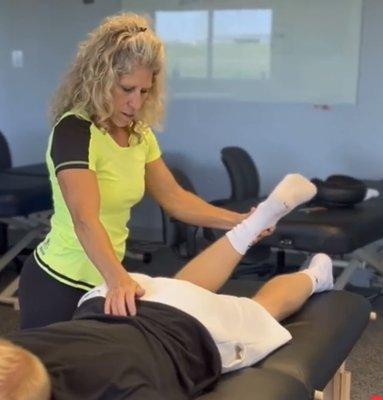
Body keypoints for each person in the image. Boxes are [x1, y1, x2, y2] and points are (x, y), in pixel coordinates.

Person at [1, 174, 334, 400]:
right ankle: (253, 225)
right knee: (179, 294)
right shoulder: (13, 347)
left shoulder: (121, 390)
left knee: (264, 309)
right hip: (115, 301)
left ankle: (317, 276)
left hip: (190, 332)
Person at [18, 13, 249, 329]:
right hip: (60, 281)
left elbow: (176, 200)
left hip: (107, 279)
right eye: (127, 89)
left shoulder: (140, 134)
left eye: (144, 91)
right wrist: (119, 280)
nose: (135, 102)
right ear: (99, 79)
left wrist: (238, 222)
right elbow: (85, 219)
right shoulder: (74, 131)